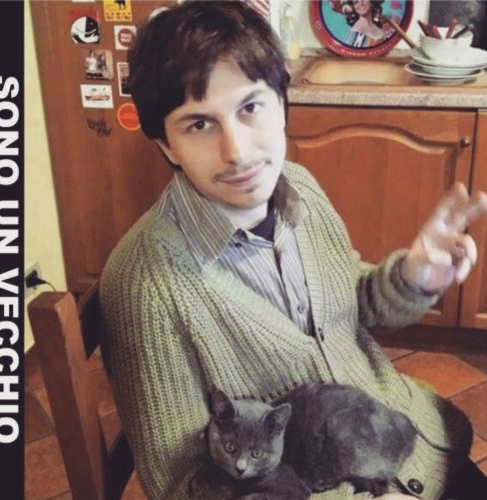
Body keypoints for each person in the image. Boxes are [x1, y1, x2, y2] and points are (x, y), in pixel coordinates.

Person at [99, 2, 487, 499]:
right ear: (166, 145)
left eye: (250, 107)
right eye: (199, 124)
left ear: (282, 105)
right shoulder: (145, 285)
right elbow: (187, 485)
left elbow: (348, 306)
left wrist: (412, 278)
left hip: (403, 437)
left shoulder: (299, 187)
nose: (237, 151)